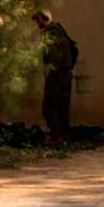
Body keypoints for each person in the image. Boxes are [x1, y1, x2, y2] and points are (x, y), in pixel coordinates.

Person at [32, 10, 75, 145]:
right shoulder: (59, 30)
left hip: (57, 75)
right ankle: (63, 136)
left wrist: (49, 72)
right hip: (64, 73)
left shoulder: (51, 32)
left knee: (50, 106)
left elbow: (55, 55)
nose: (36, 23)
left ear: (43, 18)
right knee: (62, 106)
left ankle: (57, 136)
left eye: (37, 20)